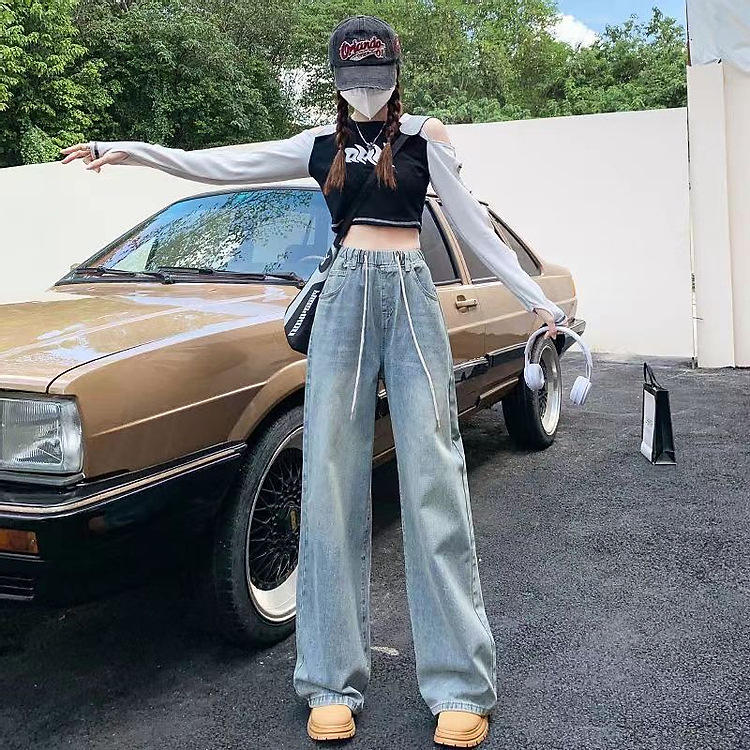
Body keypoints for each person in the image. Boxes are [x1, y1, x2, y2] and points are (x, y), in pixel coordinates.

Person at [61, 15, 567, 747]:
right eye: (354, 78)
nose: (367, 90)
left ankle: (460, 682)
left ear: (395, 74)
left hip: (411, 292)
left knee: (434, 478)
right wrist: (130, 151)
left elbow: (474, 228)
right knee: (328, 482)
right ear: (337, 80)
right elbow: (218, 165)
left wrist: (534, 298)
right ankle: (330, 679)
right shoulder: (315, 145)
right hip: (343, 296)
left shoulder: (424, 137)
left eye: (377, 76)